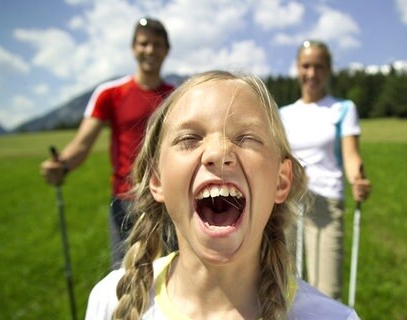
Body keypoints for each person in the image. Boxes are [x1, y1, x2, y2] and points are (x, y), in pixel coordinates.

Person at [84, 70, 360, 319]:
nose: (218, 153)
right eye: (189, 139)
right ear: (157, 179)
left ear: (281, 181)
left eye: (246, 138)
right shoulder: (109, 300)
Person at [39, 17, 174, 267]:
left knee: (172, 274)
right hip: (126, 201)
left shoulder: (176, 96)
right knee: (124, 279)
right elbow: (81, 144)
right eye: (144, 44)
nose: (150, 50)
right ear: (133, 48)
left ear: (167, 50)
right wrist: (62, 165)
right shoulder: (110, 93)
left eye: (157, 44)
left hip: (168, 199)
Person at [279, 40, 372, 300]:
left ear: (329, 70)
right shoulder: (284, 114)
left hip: (326, 206)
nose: (312, 73)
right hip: (288, 204)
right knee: (283, 286)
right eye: (306, 66)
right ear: (297, 68)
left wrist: (358, 180)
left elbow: (352, 155)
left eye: (319, 67)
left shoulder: (343, 109)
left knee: (326, 292)